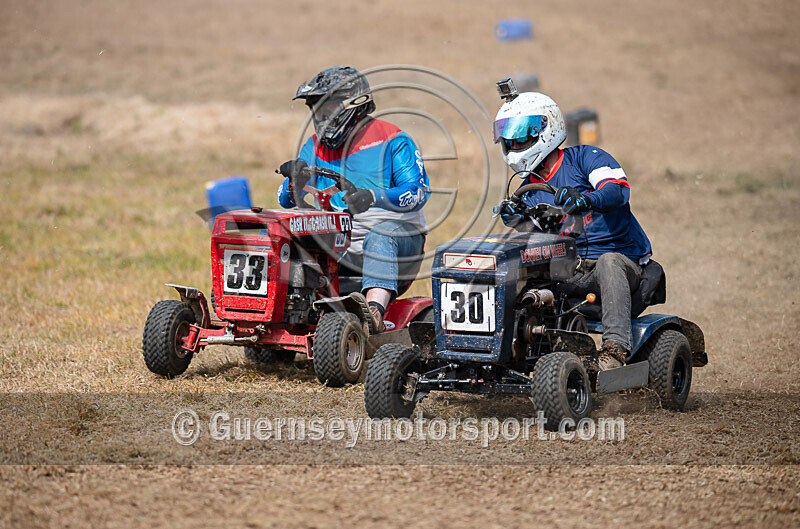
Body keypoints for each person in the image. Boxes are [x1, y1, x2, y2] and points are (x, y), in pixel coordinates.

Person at [494, 89, 652, 369]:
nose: (515, 142)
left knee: (609, 261)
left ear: (546, 128)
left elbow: (617, 192)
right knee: (515, 263)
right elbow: (544, 233)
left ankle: (615, 351)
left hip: (624, 265)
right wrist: (516, 220)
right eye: (509, 136)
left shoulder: (586, 158)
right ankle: (506, 347)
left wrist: (585, 199)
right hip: (572, 270)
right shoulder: (527, 190)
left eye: (521, 135)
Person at [277, 66, 430, 332]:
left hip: (398, 242)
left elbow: (417, 193)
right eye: (317, 110)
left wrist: (373, 196)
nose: (322, 117)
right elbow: (284, 200)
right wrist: (294, 183)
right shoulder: (314, 147)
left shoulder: (394, 139)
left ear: (352, 106)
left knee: (381, 235)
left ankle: (374, 313)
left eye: (328, 108)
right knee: (285, 234)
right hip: (339, 242)